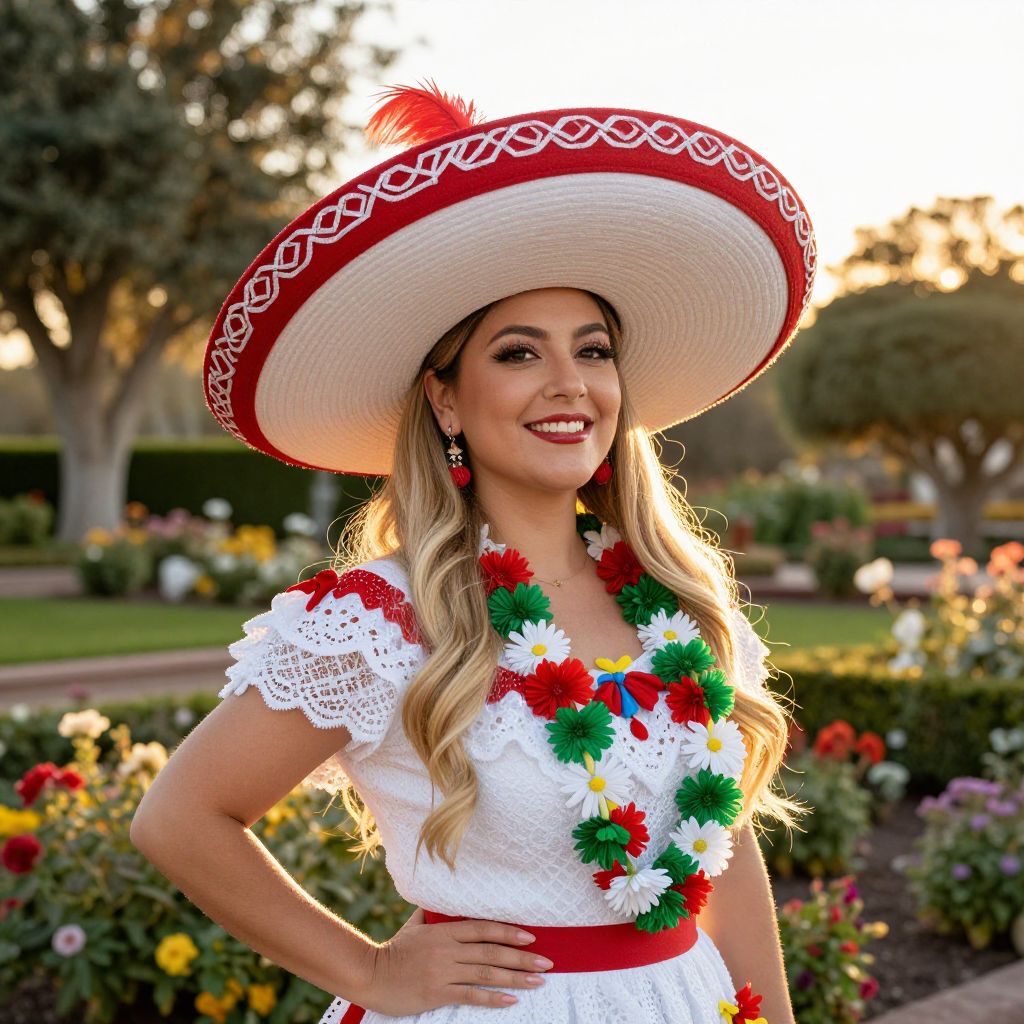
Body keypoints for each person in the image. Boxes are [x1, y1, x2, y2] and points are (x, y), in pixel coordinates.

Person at [131, 81, 816, 1024]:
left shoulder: (684, 605)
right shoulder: (385, 617)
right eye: (519, 353)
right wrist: (369, 973)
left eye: (595, 349)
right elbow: (179, 818)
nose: (571, 384)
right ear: (446, 400)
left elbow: (724, 863)